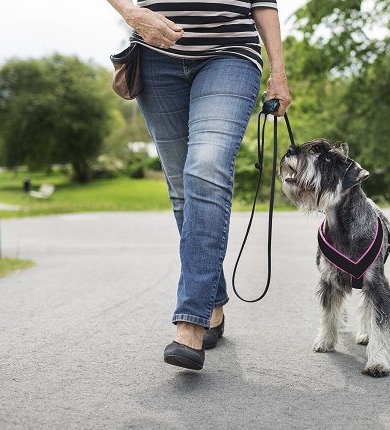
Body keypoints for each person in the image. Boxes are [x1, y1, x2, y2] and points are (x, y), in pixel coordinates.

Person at [106, 0, 291, 370]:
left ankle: (191, 321)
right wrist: (133, 13)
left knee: (205, 169)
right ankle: (212, 302)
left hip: (230, 54)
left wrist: (278, 72)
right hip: (155, 55)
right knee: (181, 189)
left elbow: (264, 2)